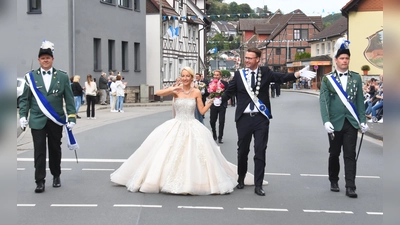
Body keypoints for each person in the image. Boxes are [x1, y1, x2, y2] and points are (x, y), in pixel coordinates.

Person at [110, 67, 266, 195]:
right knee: (166, 153)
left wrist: (212, 100)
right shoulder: (176, 91)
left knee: (194, 155)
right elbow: (157, 93)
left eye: (187, 76)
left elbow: (202, 111)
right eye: (182, 76)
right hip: (176, 124)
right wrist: (172, 88)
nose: (184, 78)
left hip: (192, 124)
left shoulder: (197, 92)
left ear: (192, 78)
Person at [222, 47, 316, 196]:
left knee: (260, 150)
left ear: (257, 59)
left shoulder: (265, 72)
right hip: (244, 119)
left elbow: (281, 78)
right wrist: (217, 100)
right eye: (246, 58)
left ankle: (258, 184)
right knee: (243, 151)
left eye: (250, 58)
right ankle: (241, 177)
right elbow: (229, 92)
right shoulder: (239, 75)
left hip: (261, 119)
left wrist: (298, 74)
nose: (246, 60)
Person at [18, 40, 77, 193]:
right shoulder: (30, 77)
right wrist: (22, 115)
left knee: (55, 149)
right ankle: (39, 181)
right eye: (42, 58)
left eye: (48, 58)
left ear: (52, 59)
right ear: (39, 60)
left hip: (55, 119)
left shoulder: (62, 77)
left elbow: (69, 99)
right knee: (39, 151)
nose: (45, 60)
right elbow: (25, 99)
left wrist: (71, 117)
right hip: (37, 119)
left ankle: (56, 175)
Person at [319, 38, 369, 198]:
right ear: (335, 60)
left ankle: (350, 186)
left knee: (350, 154)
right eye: (342, 58)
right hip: (334, 122)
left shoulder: (356, 78)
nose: (344, 61)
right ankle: (333, 179)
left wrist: (363, 121)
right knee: (334, 153)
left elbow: (360, 102)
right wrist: (326, 120)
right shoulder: (328, 79)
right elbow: (324, 102)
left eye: (347, 58)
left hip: (351, 123)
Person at [209, 70, 229, 144]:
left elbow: (228, 93)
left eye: (217, 75)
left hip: (222, 104)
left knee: (221, 121)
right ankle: (214, 133)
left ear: (220, 76)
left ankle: (220, 137)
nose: (216, 76)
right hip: (213, 104)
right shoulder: (211, 83)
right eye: (215, 75)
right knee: (212, 121)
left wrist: (221, 94)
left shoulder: (225, 84)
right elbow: (208, 93)